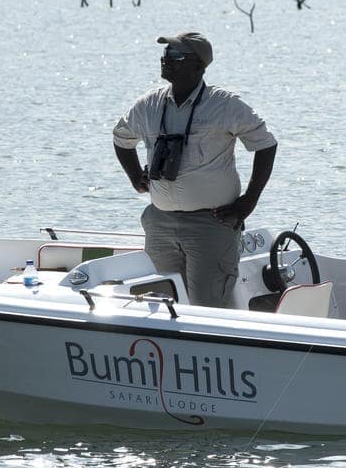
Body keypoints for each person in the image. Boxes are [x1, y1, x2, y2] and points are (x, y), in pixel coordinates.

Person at [113, 32, 277, 308]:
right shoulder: (148, 105)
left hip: (211, 225)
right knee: (162, 306)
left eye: (176, 56)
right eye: (165, 55)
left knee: (208, 308)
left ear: (199, 66)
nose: (166, 60)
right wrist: (134, 177)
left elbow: (266, 145)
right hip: (160, 223)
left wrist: (248, 202)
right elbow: (121, 138)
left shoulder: (225, 105)